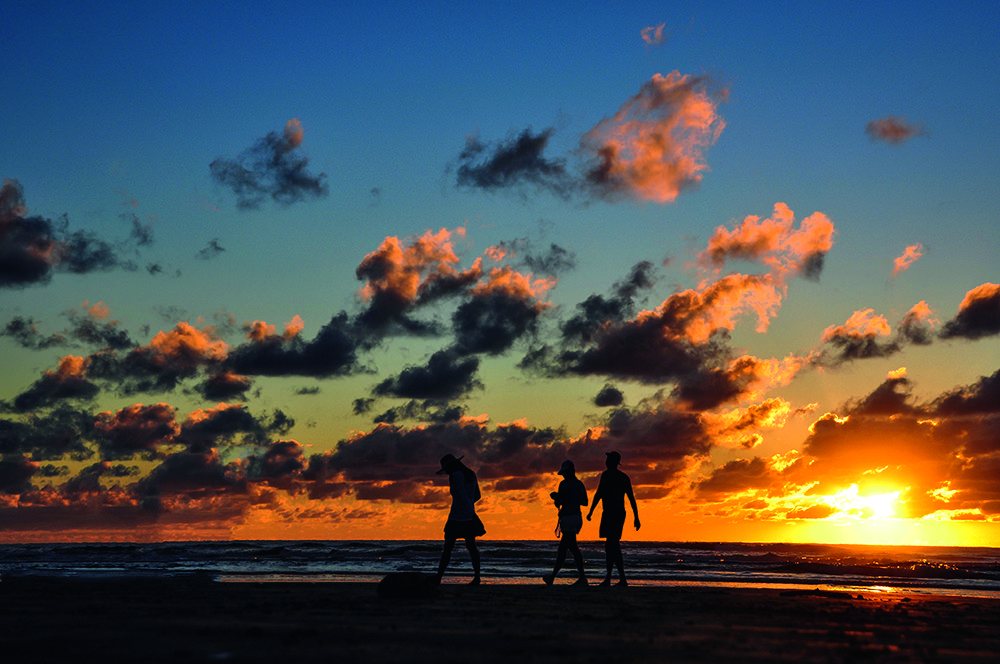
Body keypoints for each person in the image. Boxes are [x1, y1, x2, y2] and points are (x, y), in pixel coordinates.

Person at [586, 450, 640, 587]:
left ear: (613, 462)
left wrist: (637, 517)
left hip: (612, 513)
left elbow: (599, 494)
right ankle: (617, 578)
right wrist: (636, 517)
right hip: (615, 513)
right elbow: (630, 498)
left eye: (608, 460)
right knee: (612, 546)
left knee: (612, 545)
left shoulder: (608, 476)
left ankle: (614, 579)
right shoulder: (623, 477)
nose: (606, 462)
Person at [433, 453, 485, 585]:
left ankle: (439, 577)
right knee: (471, 547)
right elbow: (477, 495)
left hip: (456, 516)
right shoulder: (471, 474)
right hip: (469, 516)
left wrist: (465, 507)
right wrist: (470, 508)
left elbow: (461, 496)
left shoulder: (455, 476)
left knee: (448, 549)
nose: (446, 472)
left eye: (446, 469)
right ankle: (477, 577)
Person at [542, 460, 588, 587]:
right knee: (566, 548)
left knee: (570, 548)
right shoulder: (580, 484)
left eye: (564, 473)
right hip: (577, 518)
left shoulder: (564, 484)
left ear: (569, 472)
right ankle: (552, 577)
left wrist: (556, 497)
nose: (563, 475)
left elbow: (560, 501)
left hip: (567, 517)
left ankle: (582, 578)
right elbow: (585, 502)